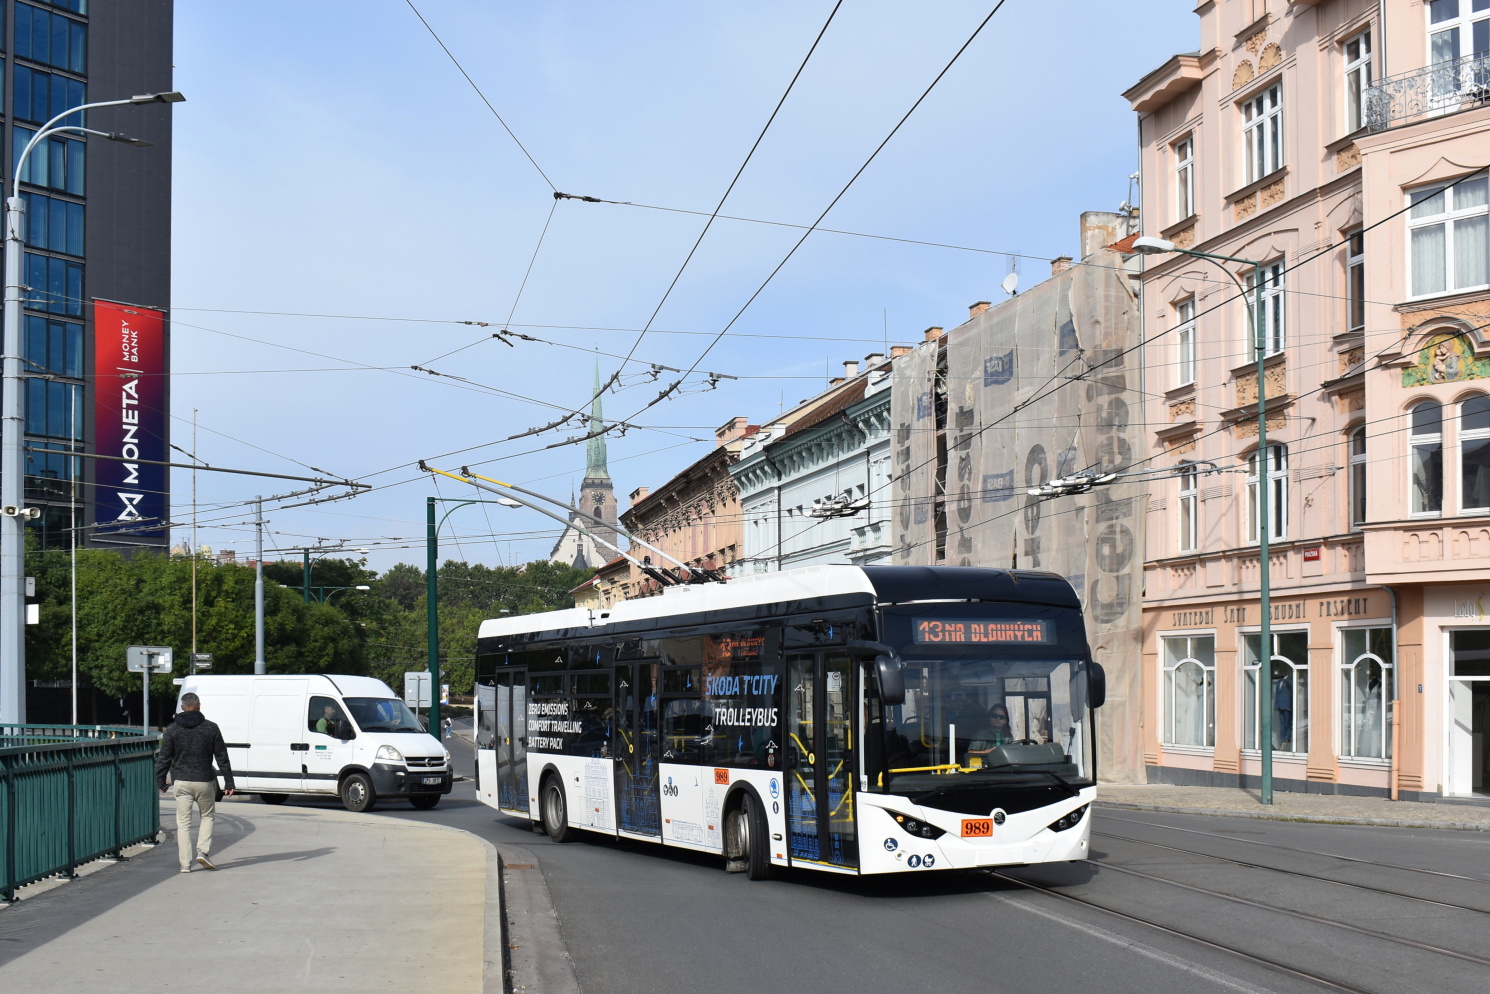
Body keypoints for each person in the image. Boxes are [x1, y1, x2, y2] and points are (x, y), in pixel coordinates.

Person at [155, 692, 235, 873]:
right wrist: (229, 783)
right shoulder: (211, 728)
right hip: (204, 780)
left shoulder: (172, 729)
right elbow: (222, 756)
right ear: (199, 706)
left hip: (181, 782)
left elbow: (164, 758)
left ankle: (185, 864)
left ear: (182, 708)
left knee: (183, 823)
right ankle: (203, 851)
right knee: (207, 816)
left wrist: (161, 781)